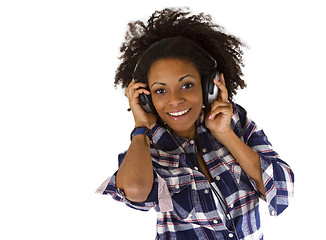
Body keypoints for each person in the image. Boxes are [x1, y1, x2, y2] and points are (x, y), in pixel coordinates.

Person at [97, 7, 294, 240]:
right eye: (160, 90)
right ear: (147, 98)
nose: (175, 100)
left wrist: (226, 135)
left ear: (208, 86)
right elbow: (136, 191)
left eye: (187, 85)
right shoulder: (146, 150)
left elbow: (282, 192)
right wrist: (141, 127)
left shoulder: (235, 122)